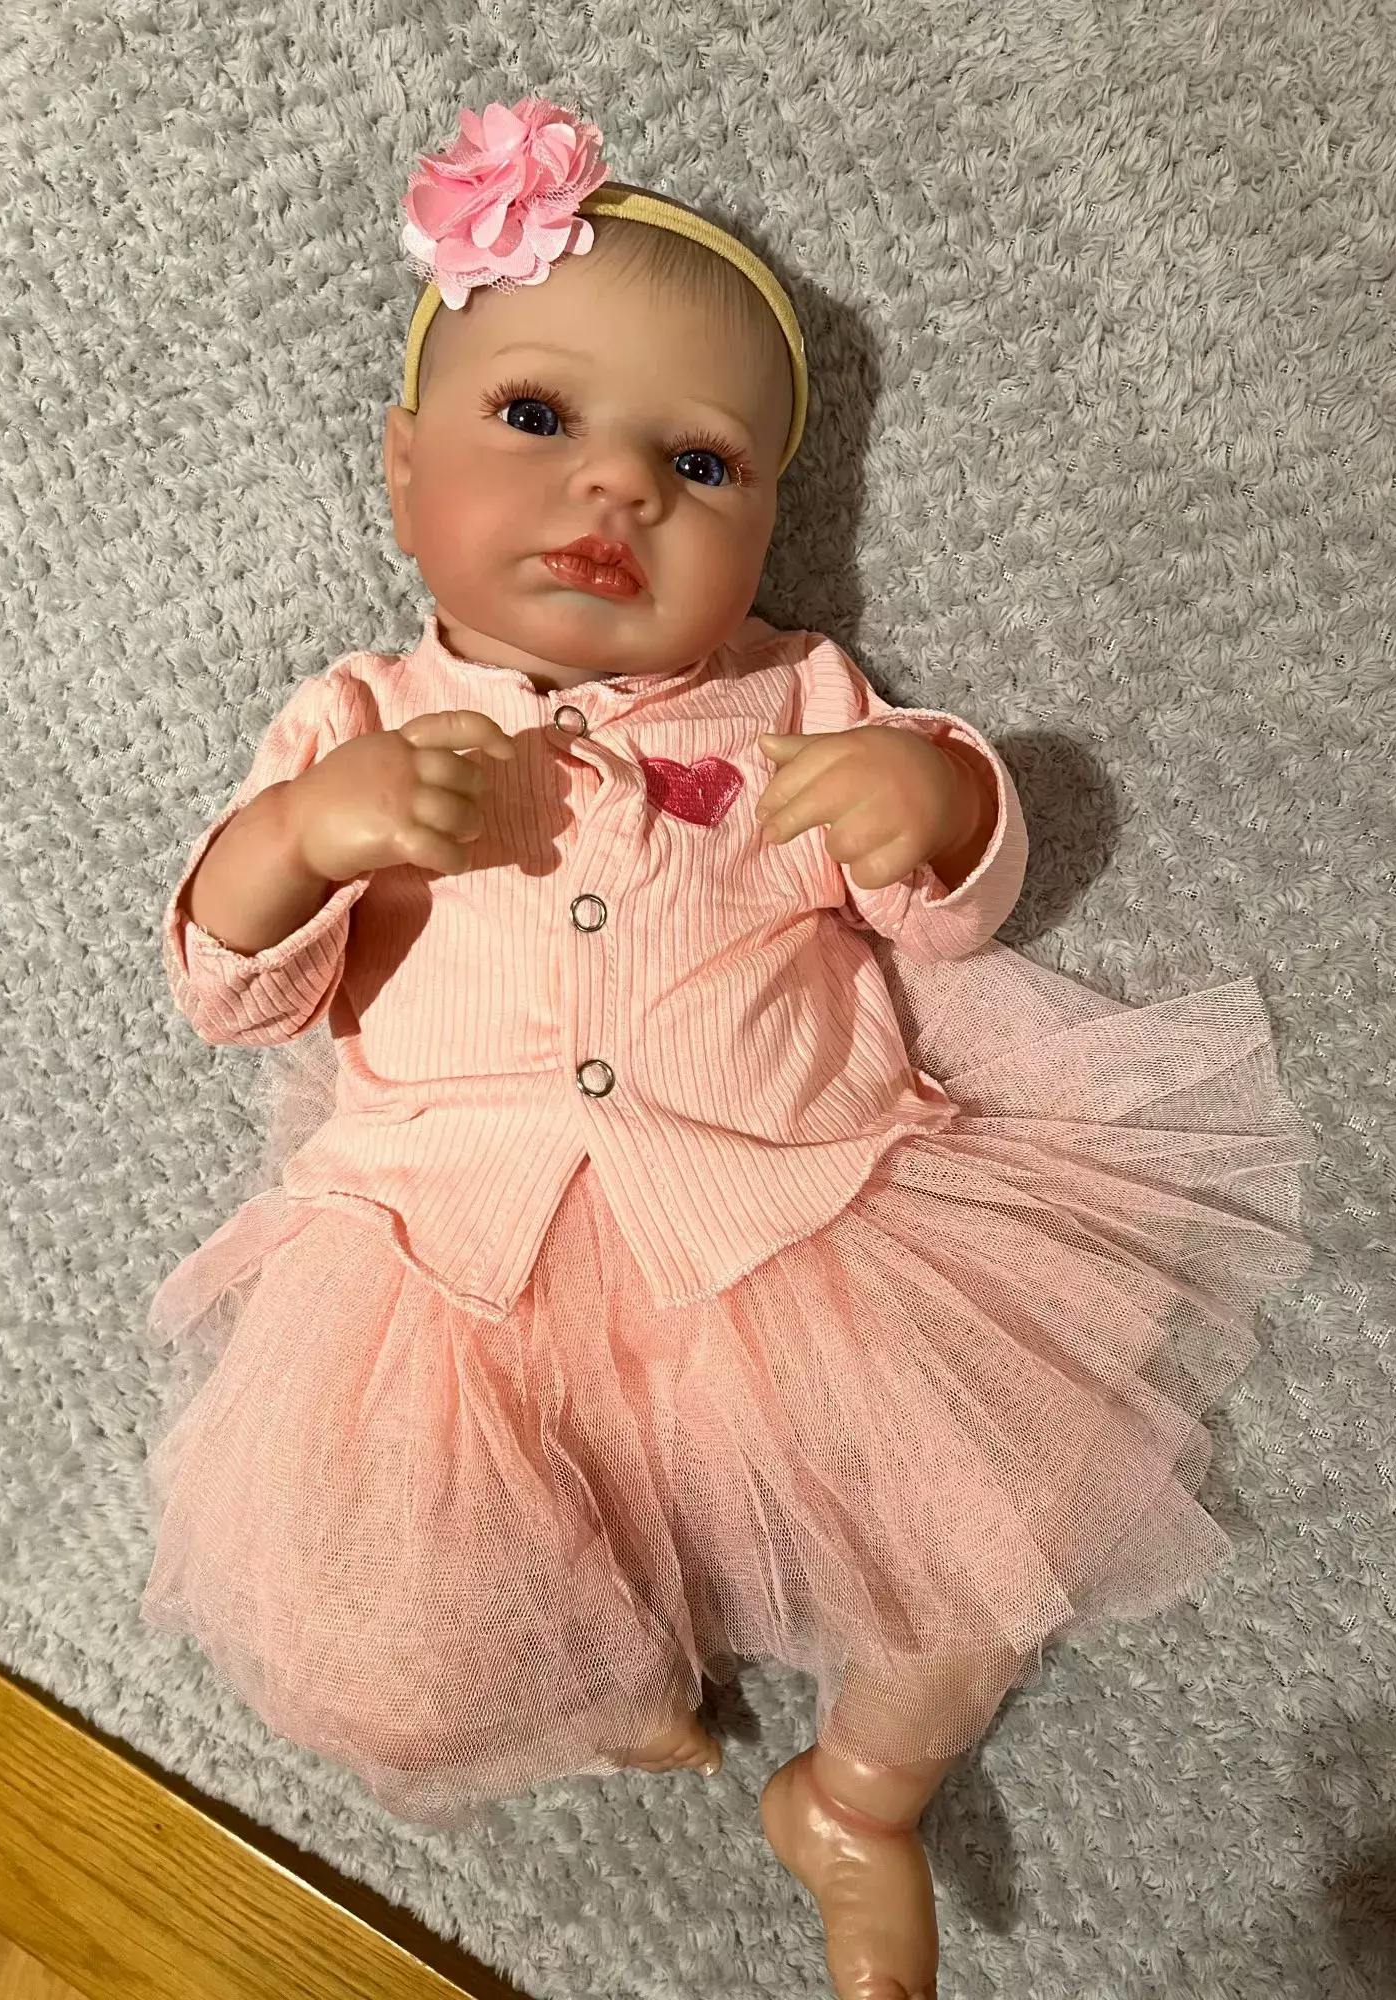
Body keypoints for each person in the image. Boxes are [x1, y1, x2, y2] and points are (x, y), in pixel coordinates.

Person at [141, 96, 1318, 2000]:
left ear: (772, 523)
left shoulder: (799, 691)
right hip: (445, 1277)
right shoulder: (356, 717)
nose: (615, 490)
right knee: (375, 1637)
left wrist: (936, 804)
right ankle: (589, 1674)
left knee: (991, 1532)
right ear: (402, 471)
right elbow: (230, 987)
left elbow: (948, 914)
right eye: (536, 417)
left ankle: (855, 1799)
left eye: (698, 462)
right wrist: (305, 838)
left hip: (799, 1230)